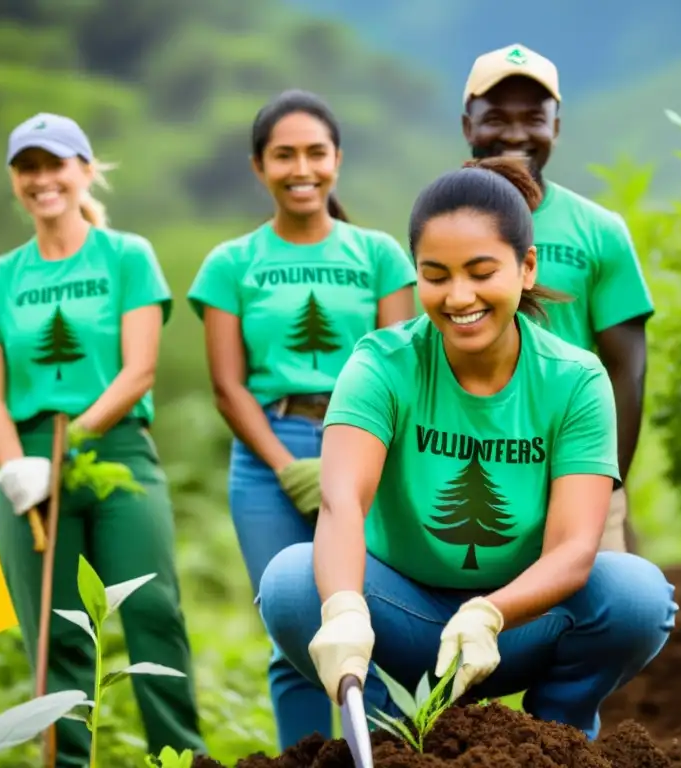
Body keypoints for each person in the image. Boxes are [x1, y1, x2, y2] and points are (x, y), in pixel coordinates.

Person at [255, 155, 678, 741]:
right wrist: (346, 609)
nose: (458, 296)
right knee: (290, 582)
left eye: (481, 271)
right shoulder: (382, 364)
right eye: (436, 274)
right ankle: (383, 730)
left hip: (517, 625)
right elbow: (342, 502)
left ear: (526, 268)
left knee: (636, 596)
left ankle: (558, 734)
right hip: (399, 617)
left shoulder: (574, 379)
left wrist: (489, 612)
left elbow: (576, 547)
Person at [0, 112, 205, 766]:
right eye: (27, 167)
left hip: (116, 451)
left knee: (152, 610)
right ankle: (65, 762)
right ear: (15, 180)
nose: (42, 180)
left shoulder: (127, 256)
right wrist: (16, 469)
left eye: (55, 164)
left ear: (85, 170)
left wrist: (63, 456)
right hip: (24, 461)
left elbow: (138, 370)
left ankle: (180, 758)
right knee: (52, 633)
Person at [186, 89, 417, 748]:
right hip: (268, 454)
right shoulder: (231, 263)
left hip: (369, 441)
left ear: (337, 159)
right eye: (283, 155)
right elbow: (229, 387)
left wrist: (345, 462)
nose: (301, 168)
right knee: (292, 622)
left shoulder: (378, 256)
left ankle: (389, 754)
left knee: (368, 614)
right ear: (259, 167)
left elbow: (398, 370)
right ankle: (308, 760)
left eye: (315, 152)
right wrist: (289, 468)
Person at [460, 43, 653, 555]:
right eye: (496, 117)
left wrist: (605, 482)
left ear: (557, 128)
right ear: (467, 126)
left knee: (607, 616)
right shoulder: (444, 223)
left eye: (534, 118)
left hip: (576, 460)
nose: (516, 134)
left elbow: (627, 370)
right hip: (474, 468)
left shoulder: (600, 231)